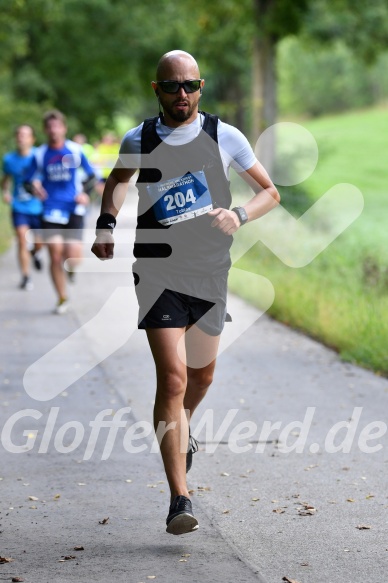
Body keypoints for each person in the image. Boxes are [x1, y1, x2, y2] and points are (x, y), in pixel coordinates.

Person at [91, 50, 280, 535]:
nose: (182, 95)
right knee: (173, 380)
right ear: (157, 89)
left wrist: (238, 215)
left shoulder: (225, 136)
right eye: (173, 86)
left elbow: (269, 192)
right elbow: (117, 179)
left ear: (201, 88)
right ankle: (180, 498)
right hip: (157, 271)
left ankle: (181, 428)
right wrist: (107, 224)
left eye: (190, 85)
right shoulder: (140, 138)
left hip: (210, 271)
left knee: (201, 379)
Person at [25, 110, 96, 314]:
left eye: (57, 126)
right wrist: (35, 190)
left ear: (64, 128)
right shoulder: (39, 154)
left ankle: (71, 269)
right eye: (50, 127)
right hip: (50, 209)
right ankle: (62, 297)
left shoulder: (75, 150)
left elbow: (92, 176)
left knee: (72, 256)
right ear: (45, 130)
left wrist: (85, 193)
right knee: (55, 254)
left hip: (74, 208)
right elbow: (27, 181)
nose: (54, 130)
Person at [1, 124, 43, 290]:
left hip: (39, 206)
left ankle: (36, 252)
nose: (21, 137)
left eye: (25, 135)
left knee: (40, 243)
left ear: (32, 139)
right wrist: (5, 191)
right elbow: (5, 180)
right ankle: (26, 276)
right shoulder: (9, 160)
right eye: (18, 134)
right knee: (21, 239)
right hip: (19, 205)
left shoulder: (39, 156)